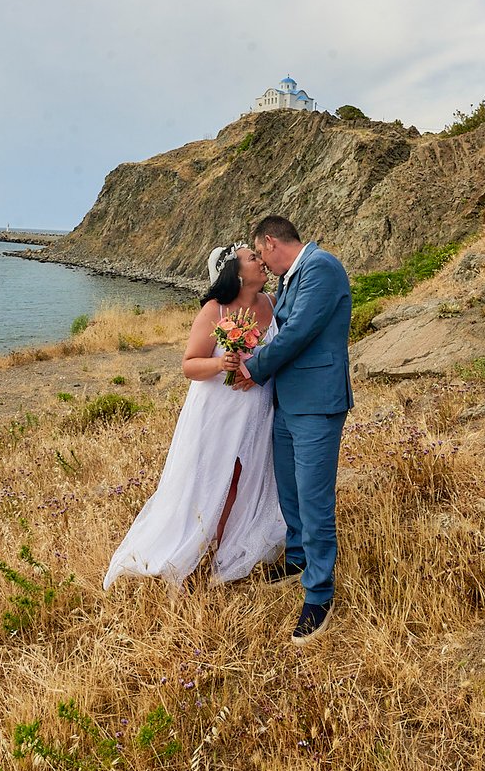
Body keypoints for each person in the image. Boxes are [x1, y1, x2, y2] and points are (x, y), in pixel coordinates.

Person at [103, 244, 286, 590]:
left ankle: (229, 549)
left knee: (246, 477)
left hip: (257, 410)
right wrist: (221, 363)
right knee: (214, 476)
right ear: (234, 272)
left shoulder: (272, 303)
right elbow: (189, 364)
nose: (261, 262)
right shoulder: (213, 311)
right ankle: (199, 548)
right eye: (252, 258)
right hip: (218, 411)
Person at [232, 216, 353, 645]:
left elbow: (299, 331)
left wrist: (253, 367)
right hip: (287, 402)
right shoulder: (289, 278)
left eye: (260, 255)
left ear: (269, 243)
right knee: (290, 490)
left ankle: (319, 595)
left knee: (315, 497)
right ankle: (298, 559)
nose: (263, 265)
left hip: (317, 403)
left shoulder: (321, 268)